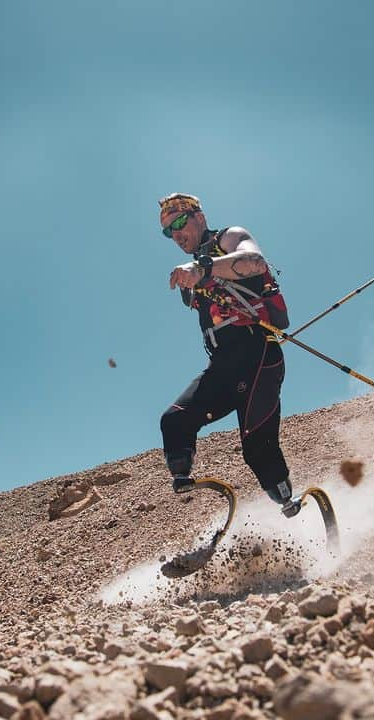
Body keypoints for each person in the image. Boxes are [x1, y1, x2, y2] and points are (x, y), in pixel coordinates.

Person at [157, 192, 300, 517]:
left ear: (200, 218)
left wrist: (204, 268)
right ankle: (184, 479)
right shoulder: (188, 274)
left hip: (259, 353)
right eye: (168, 231)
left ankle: (289, 504)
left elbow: (255, 262)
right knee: (174, 421)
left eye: (180, 222)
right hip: (222, 366)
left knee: (257, 448)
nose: (177, 234)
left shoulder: (229, 237)